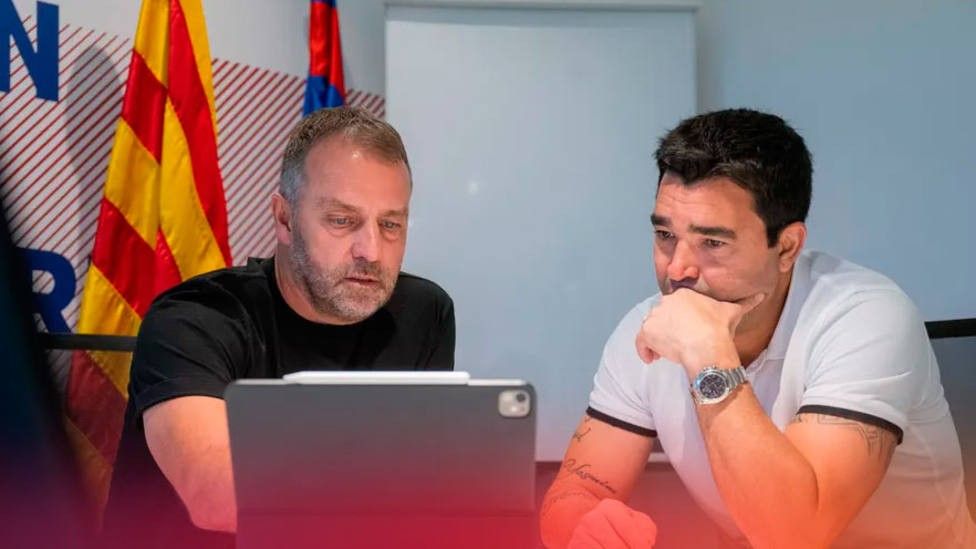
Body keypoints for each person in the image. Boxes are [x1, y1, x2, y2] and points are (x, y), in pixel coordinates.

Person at [540, 109, 975, 548]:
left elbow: (795, 537)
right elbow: (574, 491)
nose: (677, 270)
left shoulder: (865, 317)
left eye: (713, 243)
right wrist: (581, 525)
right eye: (665, 236)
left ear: (786, 247)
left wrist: (707, 353)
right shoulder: (648, 325)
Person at [102, 107, 455, 548]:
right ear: (284, 219)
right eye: (342, 220)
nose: (371, 250)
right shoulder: (194, 319)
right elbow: (217, 495)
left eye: (390, 225)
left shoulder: (423, 312)